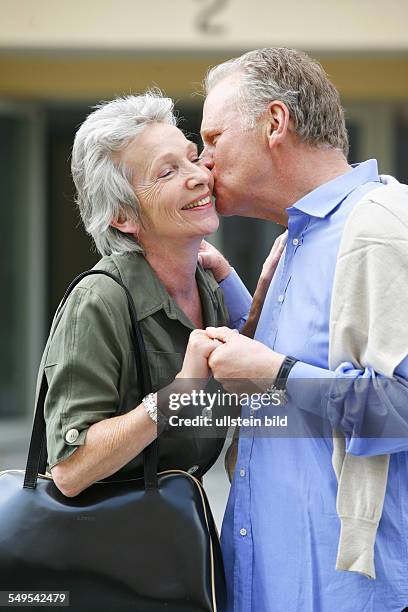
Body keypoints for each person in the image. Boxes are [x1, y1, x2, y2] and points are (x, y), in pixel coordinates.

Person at [197, 48, 408, 612]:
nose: (202, 159)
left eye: (214, 137)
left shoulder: (381, 228)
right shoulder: (296, 240)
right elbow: (314, 354)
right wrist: (234, 291)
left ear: (274, 123)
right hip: (269, 584)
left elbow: (401, 406)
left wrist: (274, 373)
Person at [38, 91, 243, 499]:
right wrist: (175, 396)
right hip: (109, 552)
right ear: (123, 216)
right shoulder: (100, 299)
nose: (199, 175)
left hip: (180, 538)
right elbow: (70, 470)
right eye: (167, 172)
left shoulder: (209, 289)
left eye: (191, 156)